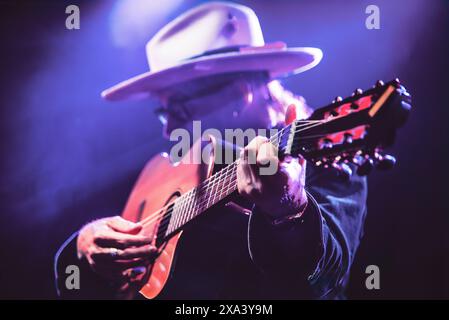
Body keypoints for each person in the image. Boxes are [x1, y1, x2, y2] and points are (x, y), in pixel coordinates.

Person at [54, 2, 367, 299]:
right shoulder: (169, 172)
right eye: (164, 113)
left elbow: (322, 283)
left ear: (239, 93)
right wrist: (84, 247)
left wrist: (290, 210)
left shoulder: (319, 155)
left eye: (178, 107)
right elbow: (82, 286)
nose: (167, 129)